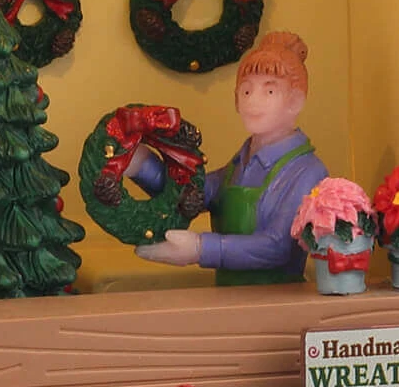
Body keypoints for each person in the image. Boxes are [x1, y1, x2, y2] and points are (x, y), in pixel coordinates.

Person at [130, 31, 327, 284]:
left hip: (280, 302)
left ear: (295, 101)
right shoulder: (237, 167)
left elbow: (279, 246)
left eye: (269, 91)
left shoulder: (308, 171)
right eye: (246, 91)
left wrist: (200, 249)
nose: (253, 101)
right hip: (226, 298)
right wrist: (140, 164)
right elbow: (189, 192)